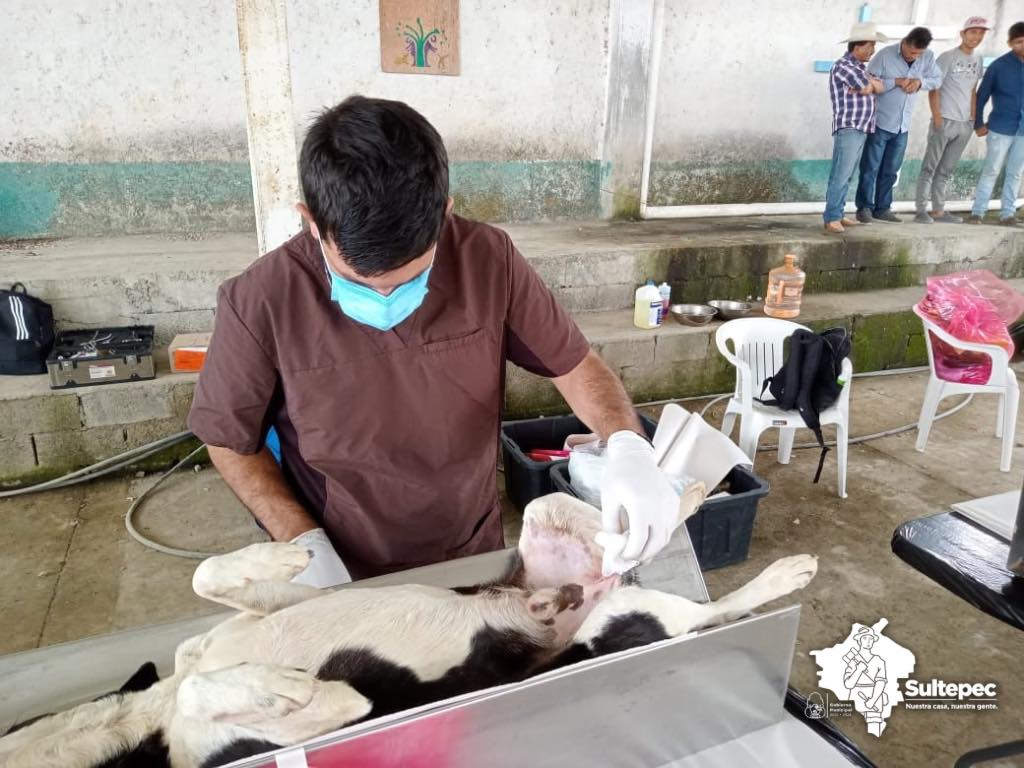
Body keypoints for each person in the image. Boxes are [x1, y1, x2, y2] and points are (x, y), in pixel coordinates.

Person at [188, 96, 679, 587]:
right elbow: (228, 441)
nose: (386, 297)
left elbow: (574, 365)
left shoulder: (488, 259)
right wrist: (302, 543)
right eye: (359, 280)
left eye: (409, 277)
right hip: (340, 566)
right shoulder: (260, 299)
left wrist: (627, 446)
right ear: (311, 220)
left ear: (444, 213)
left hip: (468, 551)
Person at [855, 27, 943, 224]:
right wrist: (895, 81)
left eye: (918, 53)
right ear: (904, 42)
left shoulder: (927, 57)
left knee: (891, 170)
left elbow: (937, 79)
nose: (915, 56)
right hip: (879, 122)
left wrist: (920, 83)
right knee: (870, 168)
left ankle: (883, 208)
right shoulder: (884, 56)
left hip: (903, 126)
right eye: (912, 51)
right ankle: (864, 208)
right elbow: (868, 82)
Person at [914, 17, 991, 224]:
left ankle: (938, 211)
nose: (977, 36)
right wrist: (937, 117)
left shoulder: (978, 59)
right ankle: (921, 210)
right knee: (929, 167)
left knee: (946, 169)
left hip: (964, 123)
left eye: (981, 33)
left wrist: (973, 119)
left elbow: (973, 90)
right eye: (973, 32)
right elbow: (934, 87)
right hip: (944, 120)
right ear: (963, 34)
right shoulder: (947, 57)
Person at [823, 22, 886, 234]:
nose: (873, 50)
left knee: (848, 174)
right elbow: (865, 85)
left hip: (861, 127)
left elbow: (879, 86)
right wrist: (869, 84)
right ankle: (832, 217)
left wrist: (871, 84)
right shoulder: (843, 66)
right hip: (849, 126)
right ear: (856, 46)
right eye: (869, 45)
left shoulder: (859, 67)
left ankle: (838, 213)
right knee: (841, 174)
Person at [967, 21, 1024, 227]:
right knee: (991, 170)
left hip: (1023, 132)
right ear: (1010, 43)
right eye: (1018, 42)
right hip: (1000, 127)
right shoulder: (999, 66)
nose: (1023, 45)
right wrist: (978, 123)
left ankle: (1008, 214)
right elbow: (981, 96)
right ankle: (977, 212)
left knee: (1015, 173)